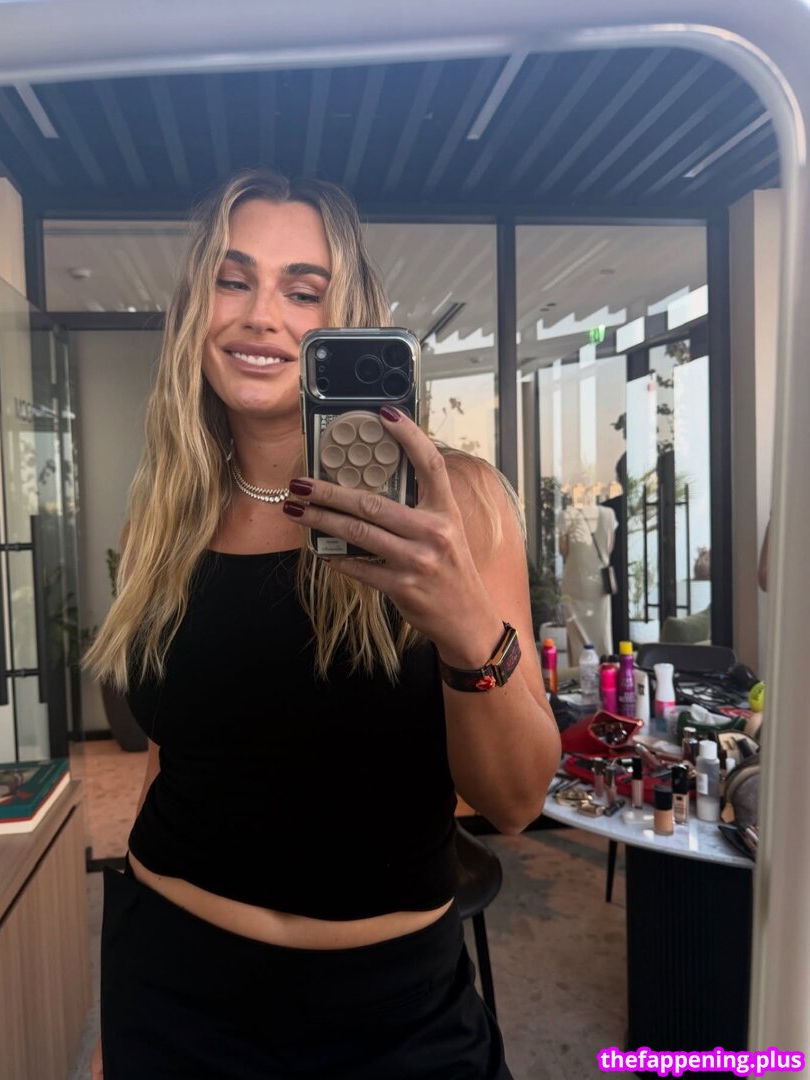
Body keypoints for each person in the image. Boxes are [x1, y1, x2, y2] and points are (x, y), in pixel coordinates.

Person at [86, 168, 559, 1079]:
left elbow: (514, 802)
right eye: (233, 280)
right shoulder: (168, 514)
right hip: (168, 987)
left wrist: (466, 630)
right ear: (194, 310)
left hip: (394, 1019)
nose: (262, 316)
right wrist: (124, 1019)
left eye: (303, 291)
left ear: (348, 319)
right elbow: (171, 758)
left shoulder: (454, 505)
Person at [558, 498, 618, 665]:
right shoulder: (609, 514)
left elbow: (563, 549)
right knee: (602, 630)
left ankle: (579, 672)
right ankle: (606, 668)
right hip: (600, 583)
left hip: (575, 581)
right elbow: (609, 547)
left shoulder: (566, 515)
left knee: (576, 634)